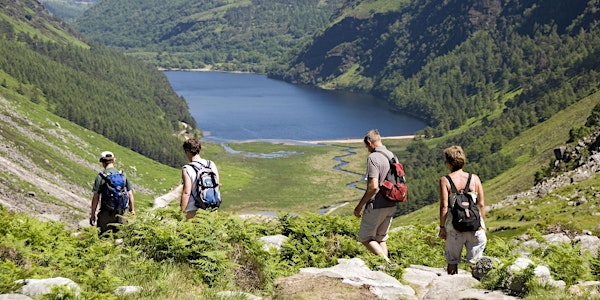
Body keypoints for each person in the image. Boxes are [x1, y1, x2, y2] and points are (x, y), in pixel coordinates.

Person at [438, 145, 487, 275]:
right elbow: (481, 204)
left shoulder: (445, 180)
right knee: (475, 264)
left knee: (452, 262)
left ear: (448, 163)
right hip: (475, 227)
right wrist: (482, 225)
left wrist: (442, 228)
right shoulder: (474, 178)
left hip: (455, 228)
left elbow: (444, 206)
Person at [354, 129, 398, 260]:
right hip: (392, 203)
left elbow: (373, 186)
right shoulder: (392, 156)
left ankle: (388, 265)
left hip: (377, 203)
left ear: (369, 142)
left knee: (365, 238)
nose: (367, 149)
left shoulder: (373, 157)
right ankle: (387, 269)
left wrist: (359, 206)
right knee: (381, 239)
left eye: (367, 146)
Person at [90, 151, 135, 235]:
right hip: (122, 212)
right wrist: (132, 210)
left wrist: (93, 214)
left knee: (104, 238)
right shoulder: (123, 175)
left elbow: (96, 197)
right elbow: (130, 194)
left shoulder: (100, 176)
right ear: (113, 160)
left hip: (106, 212)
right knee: (120, 237)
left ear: (102, 162)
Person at [180, 138, 220, 220]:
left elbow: (186, 192)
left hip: (193, 210)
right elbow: (217, 184)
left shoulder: (187, 168)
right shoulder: (211, 164)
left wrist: (181, 212)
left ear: (187, 151)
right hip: (211, 208)